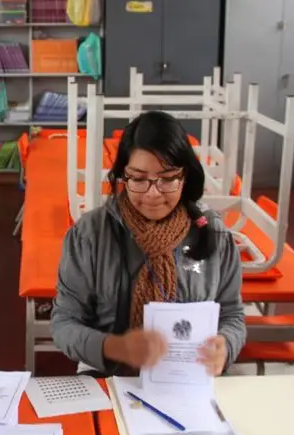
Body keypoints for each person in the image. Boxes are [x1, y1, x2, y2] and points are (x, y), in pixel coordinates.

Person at [50, 111, 246, 377]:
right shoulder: (90, 235)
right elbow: (64, 322)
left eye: (168, 178)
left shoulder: (213, 233)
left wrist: (225, 345)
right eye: (138, 179)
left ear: (185, 176)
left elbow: (232, 315)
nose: (153, 193)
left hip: (189, 380)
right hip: (108, 375)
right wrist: (114, 347)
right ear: (123, 176)